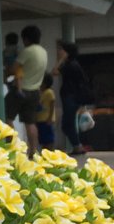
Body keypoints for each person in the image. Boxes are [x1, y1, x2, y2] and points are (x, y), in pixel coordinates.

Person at [12, 25, 47, 154]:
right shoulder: (43, 52)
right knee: (30, 123)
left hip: (21, 89)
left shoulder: (27, 51)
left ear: (26, 39)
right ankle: (33, 151)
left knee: (7, 118)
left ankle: (12, 148)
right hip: (35, 91)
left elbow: (14, 68)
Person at [54, 41, 93, 155]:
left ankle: (78, 146)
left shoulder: (70, 65)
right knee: (69, 123)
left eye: (61, 50)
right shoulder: (73, 64)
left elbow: (54, 71)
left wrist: (61, 60)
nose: (59, 52)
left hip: (70, 98)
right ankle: (77, 146)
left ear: (67, 52)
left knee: (67, 124)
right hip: (72, 98)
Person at [35, 72, 56, 151]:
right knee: (43, 138)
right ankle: (45, 151)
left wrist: (50, 118)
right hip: (40, 119)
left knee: (48, 138)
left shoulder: (49, 92)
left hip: (46, 119)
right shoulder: (42, 93)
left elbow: (52, 104)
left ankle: (50, 151)